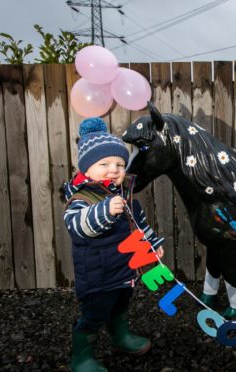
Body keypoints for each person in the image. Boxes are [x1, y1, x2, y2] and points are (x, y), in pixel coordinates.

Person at [63, 118, 164, 372]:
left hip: (124, 269)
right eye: (104, 164)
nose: (114, 169)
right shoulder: (81, 198)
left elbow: (138, 226)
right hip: (97, 273)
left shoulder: (125, 197)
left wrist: (151, 246)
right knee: (95, 314)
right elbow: (77, 227)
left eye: (120, 164)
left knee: (121, 303)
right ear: (87, 169)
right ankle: (82, 358)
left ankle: (120, 336)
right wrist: (105, 211)